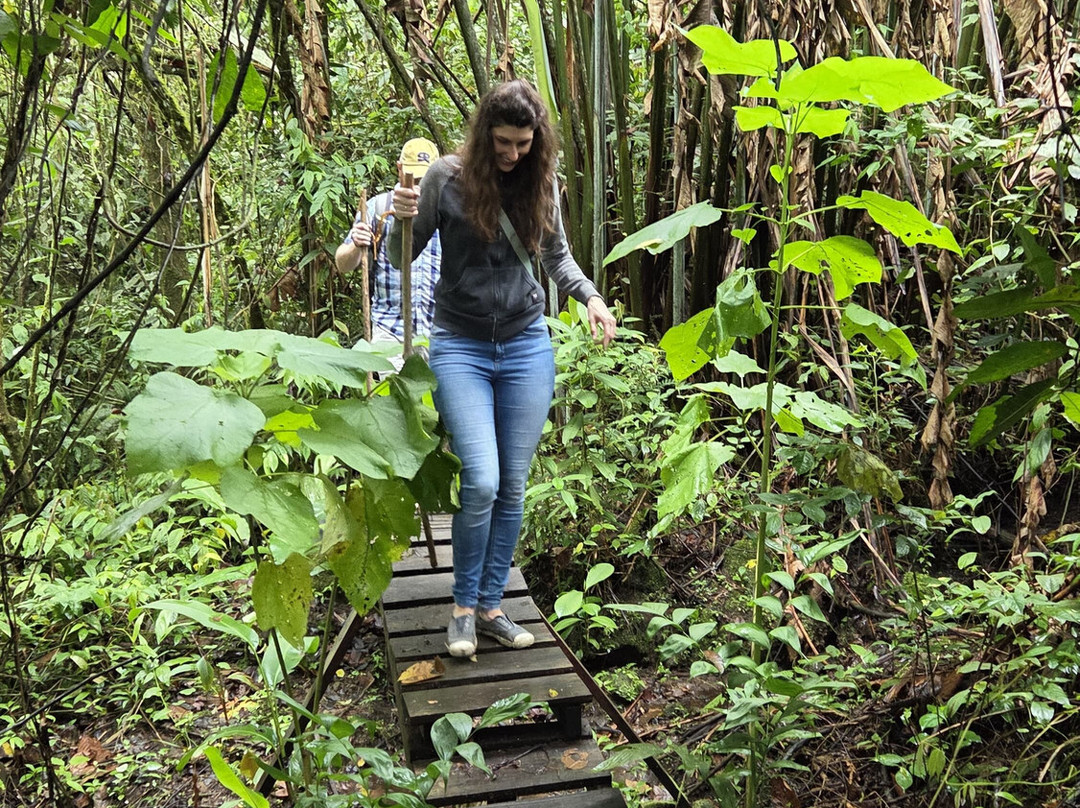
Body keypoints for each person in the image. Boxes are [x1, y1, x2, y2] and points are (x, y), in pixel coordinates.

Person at [390, 80, 617, 658]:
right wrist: (400, 218)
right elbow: (400, 257)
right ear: (484, 133)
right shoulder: (447, 178)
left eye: (523, 143)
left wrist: (589, 297)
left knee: (512, 485)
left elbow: (556, 256)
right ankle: (462, 608)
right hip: (459, 345)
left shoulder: (542, 182)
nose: (513, 154)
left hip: (525, 345)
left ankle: (491, 607)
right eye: (503, 142)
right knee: (483, 480)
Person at [335, 138, 442, 365]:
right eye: (411, 177)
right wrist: (356, 244)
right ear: (399, 168)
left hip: (440, 333)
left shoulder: (447, 210)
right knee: (393, 399)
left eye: (424, 179)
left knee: (435, 401)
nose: (416, 187)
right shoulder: (378, 208)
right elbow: (342, 264)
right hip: (389, 331)